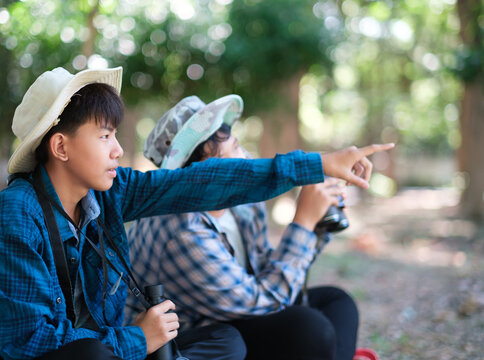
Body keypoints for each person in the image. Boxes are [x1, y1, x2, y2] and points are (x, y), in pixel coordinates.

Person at [0, 67, 391, 360]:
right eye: (104, 135)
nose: (118, 149)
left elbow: (202, 183)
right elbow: (25, 343)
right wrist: (138, 339)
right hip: (75, 355)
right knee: (88, 356)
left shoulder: (110, 195)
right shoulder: (15, 214)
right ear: (60, 146)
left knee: (226, 342)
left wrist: (316, 165)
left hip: (111, 348)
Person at [126, 95, 388, 360]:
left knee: (337, 303)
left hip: (233, 313)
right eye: (229, 158)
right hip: (196, 341)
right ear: (197, 176)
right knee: (309, 329)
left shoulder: (242, 203)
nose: (245, 162)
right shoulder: (181, 229)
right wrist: (303, 224)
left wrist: (318, 224)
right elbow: (260, 302)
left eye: (237, 146)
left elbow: (265, 272)